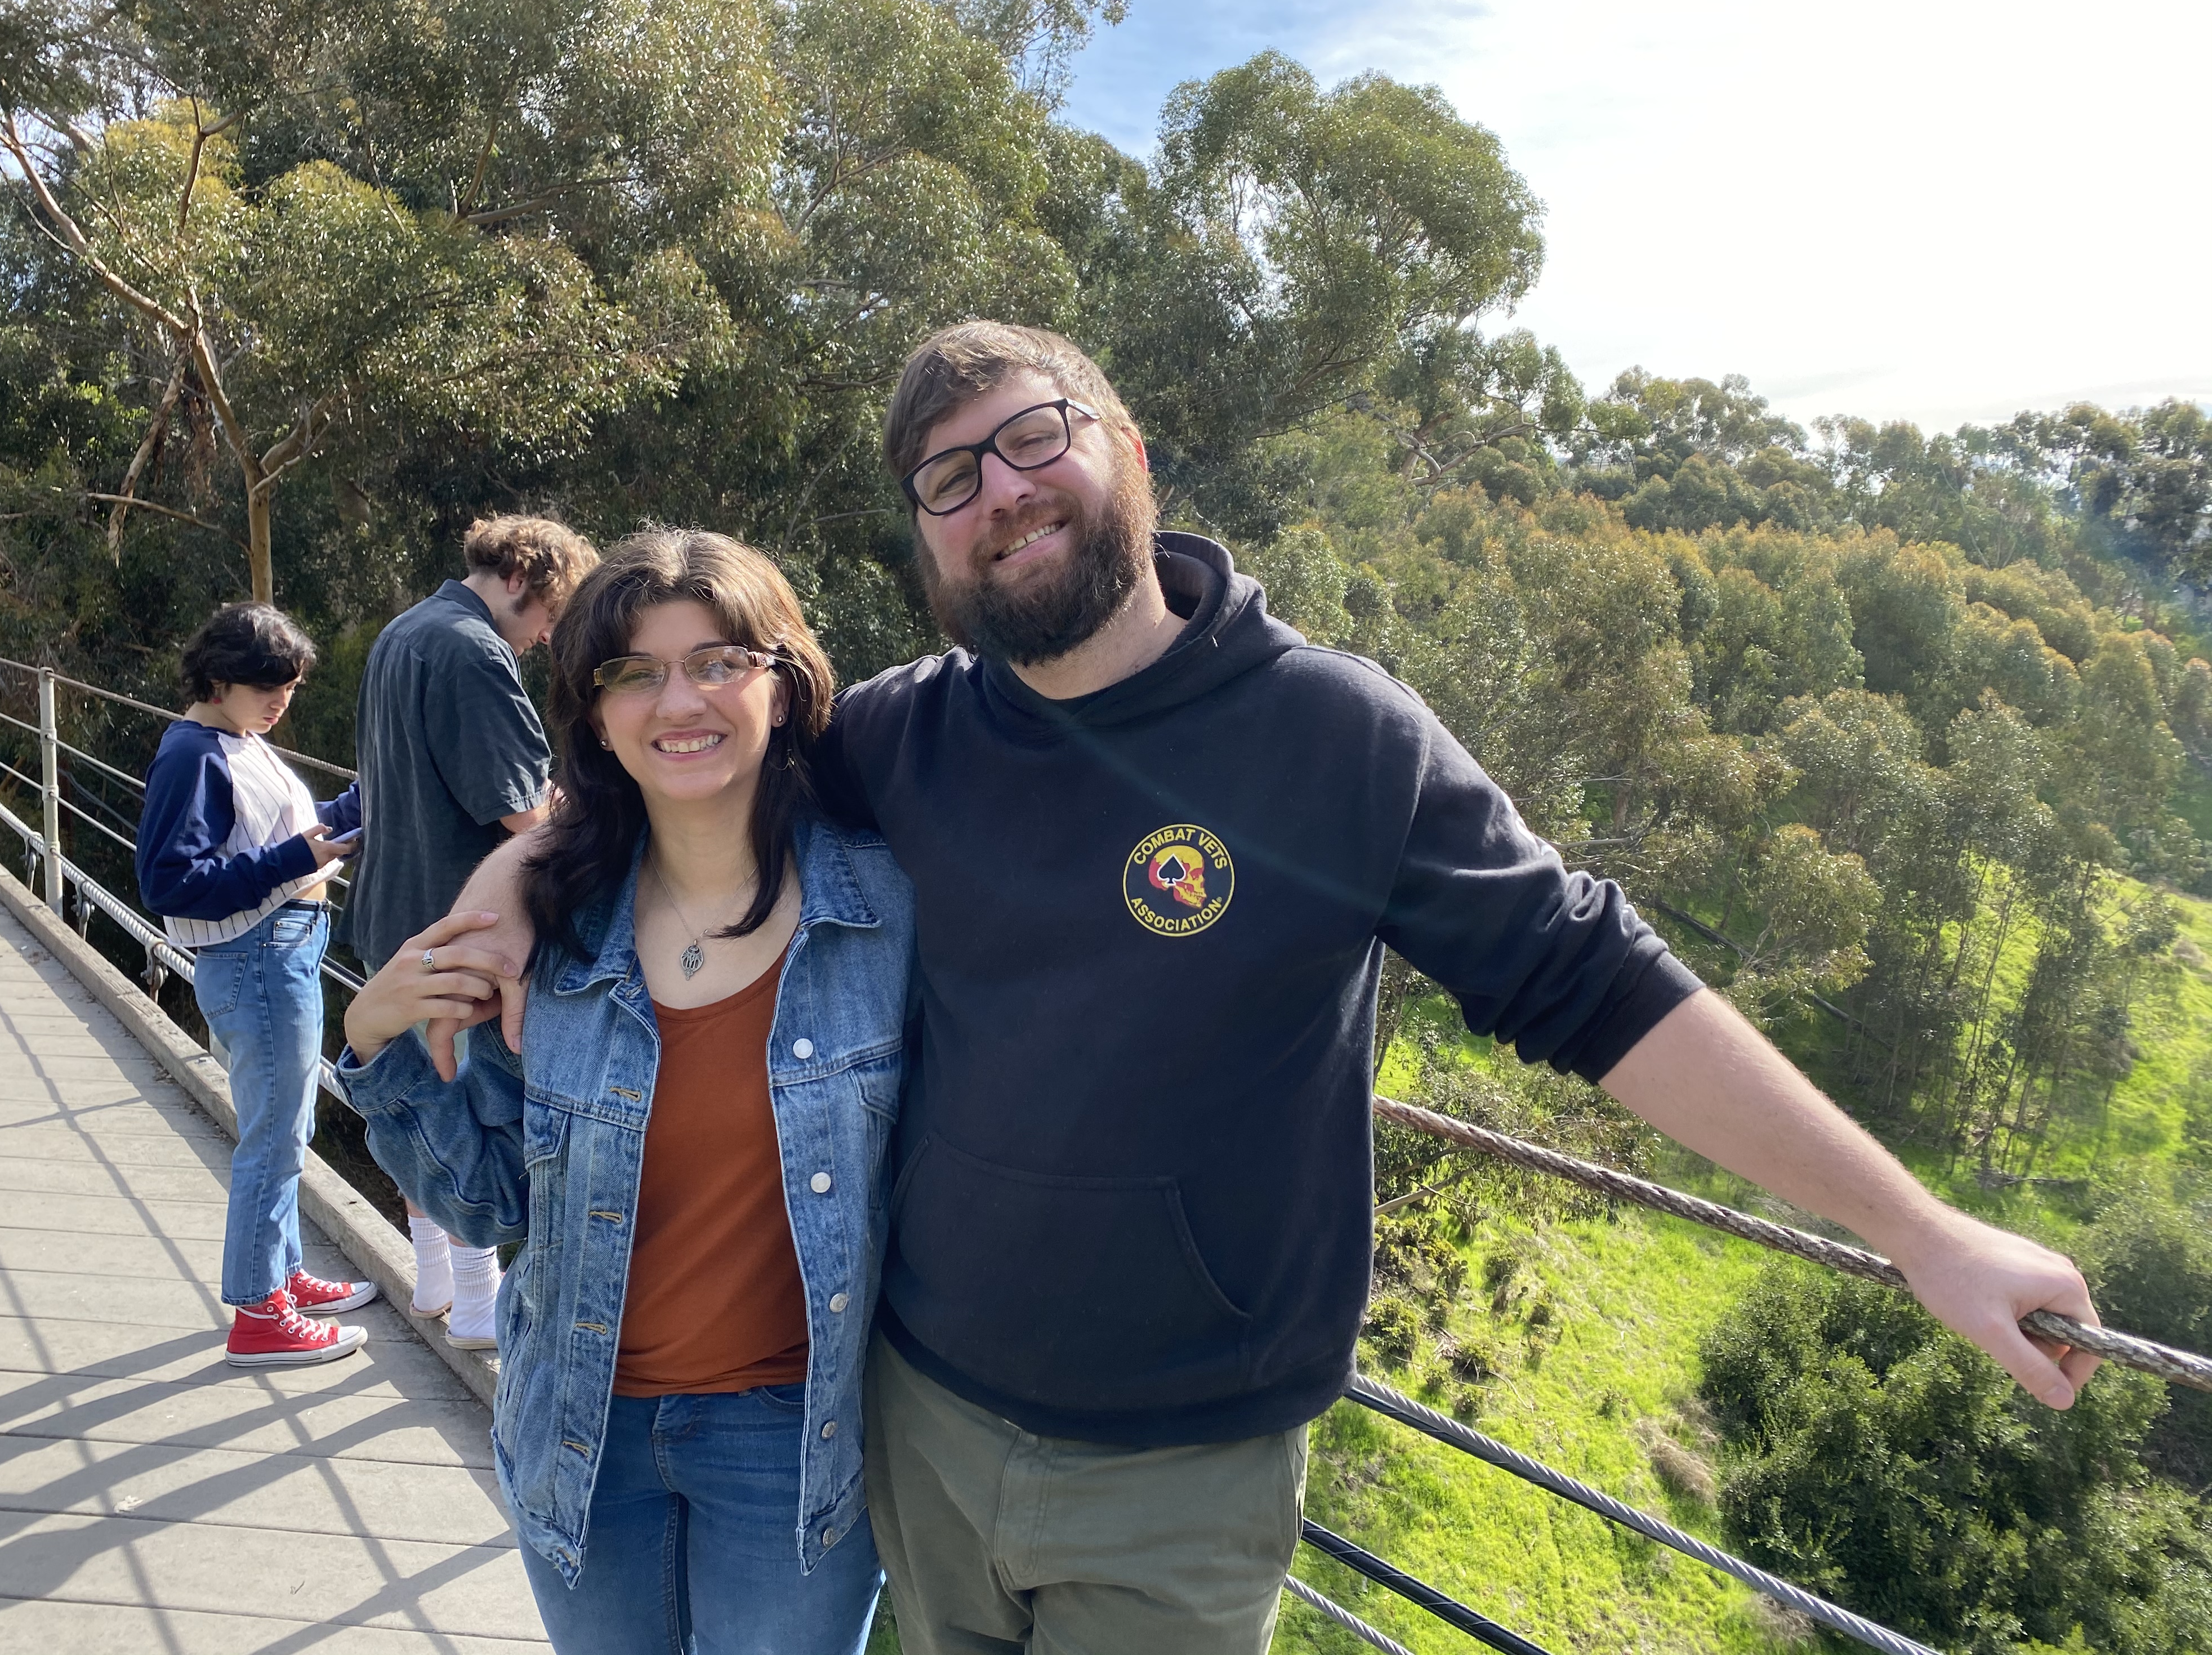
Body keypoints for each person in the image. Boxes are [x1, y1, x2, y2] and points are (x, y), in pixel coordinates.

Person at [448, 323, 2104, 1654]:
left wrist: (1917, 1231)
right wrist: (511, 895)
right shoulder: (899, 735)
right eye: (949, 478)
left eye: (1034, 438)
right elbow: (664, 784)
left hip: (1184, 1475)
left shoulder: (1334, 736)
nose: (1000, 494)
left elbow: (1592, 977)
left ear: (1127, 449)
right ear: (927, 537)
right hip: (919, 1424)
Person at [337, 530, 912, 1654]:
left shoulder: (888, 908)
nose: (678, 700)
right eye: (634, 672)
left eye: (718, 662)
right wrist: (376, 1044)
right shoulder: (551, 931)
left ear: (783, 685)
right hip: (581, 1432)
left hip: (797, 1441)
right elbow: (494, 1204)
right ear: (596, 716)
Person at [350, 512, 599, 1347]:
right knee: (465, 1103)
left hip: (391, 909)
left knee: (420, 1090)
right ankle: (478, 1304)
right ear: (522, 577)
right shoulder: (473, 649)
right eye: (552, 615)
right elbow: (525, 814)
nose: (546, 638)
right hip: (461, 925)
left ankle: (435, 1279)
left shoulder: (402, 633)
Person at [136, 602, 376, 1368]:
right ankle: (260, 1313)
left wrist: (364, 802)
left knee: (288, 1130)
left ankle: (281, 1274)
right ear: (218, 680)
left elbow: (283, 834)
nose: (281, 702)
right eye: (267, 686)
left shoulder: (237, 740)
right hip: (257, 958)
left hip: (279, 952)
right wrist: (298, 861)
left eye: (291, 687)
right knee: (274, 1138)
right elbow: (170, 882)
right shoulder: (193, 755)